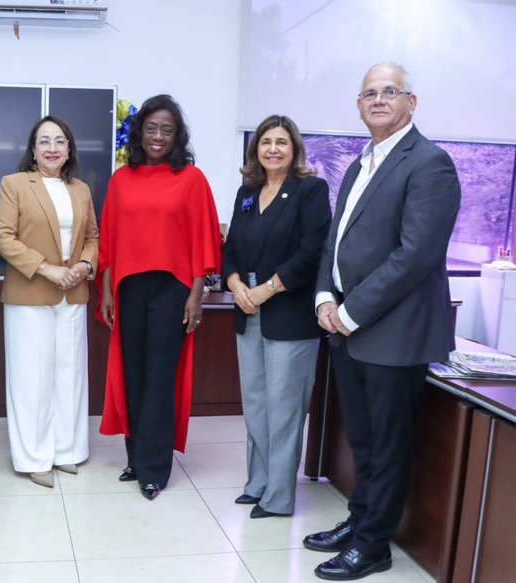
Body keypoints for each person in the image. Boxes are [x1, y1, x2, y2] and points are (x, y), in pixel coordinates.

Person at [304, 62, 461, 581]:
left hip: (392, 331)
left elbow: (415, 256)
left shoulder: (430, 163)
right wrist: (326, 295)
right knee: (365, 440)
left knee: (389, 444)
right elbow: (337, 241)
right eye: (369, 93)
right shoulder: (359, 163)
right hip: (348, 327)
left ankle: (374, 545)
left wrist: (348, 312)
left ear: (410, 103)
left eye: (389, 92)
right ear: (358, 105)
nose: (377, 100)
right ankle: (360, 521)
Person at [98, 94, 221, 501]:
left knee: (159, 377)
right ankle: (135, 456)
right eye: (151, 127)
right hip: (129, 287)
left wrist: (196, 294)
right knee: (132, 373)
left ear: (177, 136)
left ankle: (154, 467)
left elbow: (204, 240)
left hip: (173, 288)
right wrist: (106, 291)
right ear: (139, 131)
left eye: (167, 130)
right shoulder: (120, 179)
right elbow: (109, 242)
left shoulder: (192, 179)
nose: (158, 136)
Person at [221, 114, 331, 519]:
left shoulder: (310, 190)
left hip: (288, 310)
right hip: (247, 306)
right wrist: (235, 285)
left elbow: (311, 251)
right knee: (255, 403)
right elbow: (230, 246)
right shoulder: (246, 192)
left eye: (281, 142)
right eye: (266, 141)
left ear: (294, 148)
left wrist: (266, 289)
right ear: (255, 149)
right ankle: (258, 482)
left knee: (284, 406)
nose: (272, 149)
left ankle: (280, 496)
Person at [0, 116, 99, 488]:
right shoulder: (15, 185)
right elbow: (3, 238)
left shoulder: (81, 189)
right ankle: (35, 457)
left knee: (69, 374)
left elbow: (93, 236)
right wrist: (48, 270)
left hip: (73, 291)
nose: (52, 147)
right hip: (30, 293)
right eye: (44, 141)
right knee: (32, 376)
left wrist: (86, 265)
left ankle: (66, 451)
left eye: (60, 141)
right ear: (33, 151)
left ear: (69, 148)